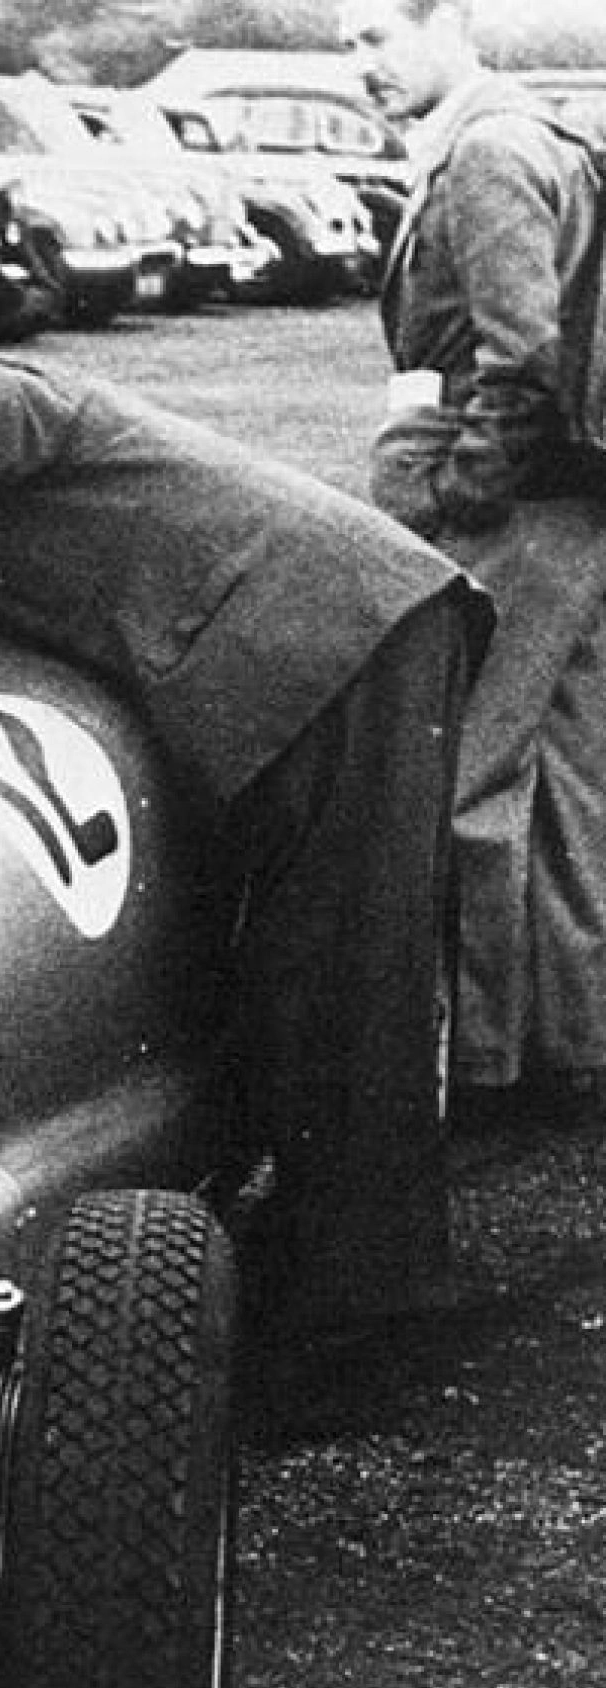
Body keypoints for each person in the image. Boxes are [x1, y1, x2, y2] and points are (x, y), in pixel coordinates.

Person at [0, 343, 492, 1380]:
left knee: (347, 983)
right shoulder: (3, 499)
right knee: (309, 976)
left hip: (346, 636)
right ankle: (333, 1274)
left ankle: (363, 1323)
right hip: (330, 648)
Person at [344, 0, 606, 1118]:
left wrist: (464, 492)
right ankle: (574, 1045)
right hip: (573, 505)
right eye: (346, 45)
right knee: (570, 781)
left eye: (375, 37)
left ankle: (489, 1062)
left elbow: (523, 352)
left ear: (446, 21)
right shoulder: (542, 133)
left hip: (515, 508)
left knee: (471, 780)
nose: (359, 66)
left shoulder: (489, 148)